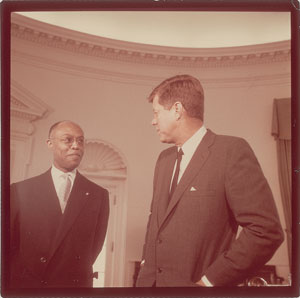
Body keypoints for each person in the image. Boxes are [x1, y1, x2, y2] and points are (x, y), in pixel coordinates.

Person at [136, 74, 284, 287]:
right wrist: (145, 265)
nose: (153, 121)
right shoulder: (164, 160)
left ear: (177, 110)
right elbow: (156, 221)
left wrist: (209, 282)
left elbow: (265, 231)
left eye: (156, 112)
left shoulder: (231, 152)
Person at [10, 120, 109, 288]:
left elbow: (95, 247)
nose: (76, 145)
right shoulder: (20, 190)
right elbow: (9, 246)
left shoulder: (98, 195)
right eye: (67, 140)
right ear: (50, 144)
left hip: (74, 285)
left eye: (80, 140)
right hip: (29, 286)